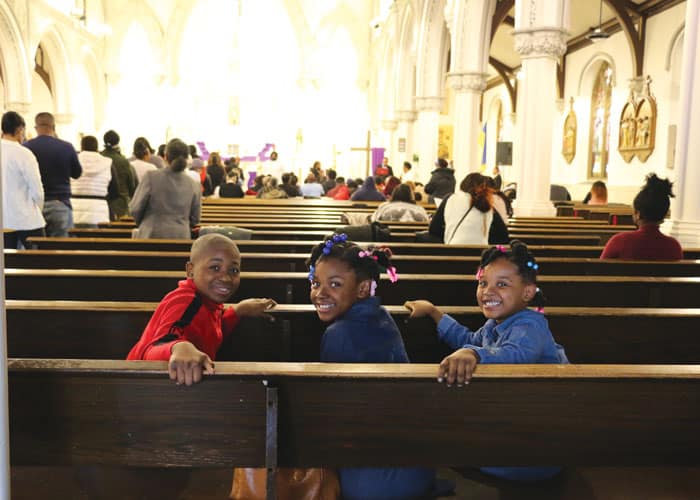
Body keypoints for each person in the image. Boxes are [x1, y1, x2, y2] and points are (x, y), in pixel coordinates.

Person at [404, 240, 568, 481]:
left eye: (501, 284)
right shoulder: (495, 324)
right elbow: (468, 338)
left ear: (527, 292)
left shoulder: (530, 325)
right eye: (483, 283)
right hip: (511, 421)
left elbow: (516, 355)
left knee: (439, 438)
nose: (488, 291)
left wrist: (473, 353)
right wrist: (433, 312)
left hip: (536, 445)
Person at [307, 234, 437, 499]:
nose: (320, 293)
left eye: (334, 284)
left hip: (372, 480)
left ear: (363, 289)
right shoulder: (383, 316)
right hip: (416, 466)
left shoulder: (339, 334)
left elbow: (333, 413)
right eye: (315, 282)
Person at [127, 233, 277, 384]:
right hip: (142, 387)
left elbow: (210, 331)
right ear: (190, 270)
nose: (226, 278)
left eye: (234, 270)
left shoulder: (208, 301)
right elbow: (152, 351)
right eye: (215, 267)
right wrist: (179, 347)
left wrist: (238, 311)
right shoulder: (185, 301)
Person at [129, 138, 201, 239]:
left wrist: (145, 222)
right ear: (186, 158)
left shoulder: (151, 177)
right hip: (180, 238)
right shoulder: (194, 184)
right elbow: (195, 219)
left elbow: (135, 208)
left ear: (165, 157)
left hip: (151, 235)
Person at [24, 112, 82, 236]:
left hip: (33, 205)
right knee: (62, 250)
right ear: (53, 127)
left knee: (34, 249)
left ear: (36, 127)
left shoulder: (26, 148)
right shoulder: (67, 147)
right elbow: (77, 173)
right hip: (60, 202)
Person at [601, 174, 682, 260]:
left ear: (638, 214)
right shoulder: (673, 246)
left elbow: (599, 269)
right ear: (664, 215)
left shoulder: (619, 241)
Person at [1, 111, 45, 249]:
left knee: (6, 264)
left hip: (4, 220)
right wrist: (39, 207)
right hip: (26, 219)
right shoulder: (24, 154)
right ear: (20, 129)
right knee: (40, 262)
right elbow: (37, 190)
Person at [429, 172, 508, 245]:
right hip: (481, 253)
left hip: (453, 251)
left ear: (463, 184)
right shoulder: (486, 203)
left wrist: (449, 231)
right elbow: (503, 234)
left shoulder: (450, 198)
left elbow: (434, 229)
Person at [72, 135, 116, 227]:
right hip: (99, 210)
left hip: (74, 210)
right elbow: (115, 190)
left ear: (81, 147)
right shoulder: (107, 162)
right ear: (97, 148)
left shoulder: (73, 160)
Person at [102, 129, 137, 220]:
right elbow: (131, 185)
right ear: (118, 141)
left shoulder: (100, 157)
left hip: (103, 204)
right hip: (120, 207)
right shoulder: (123, 160)